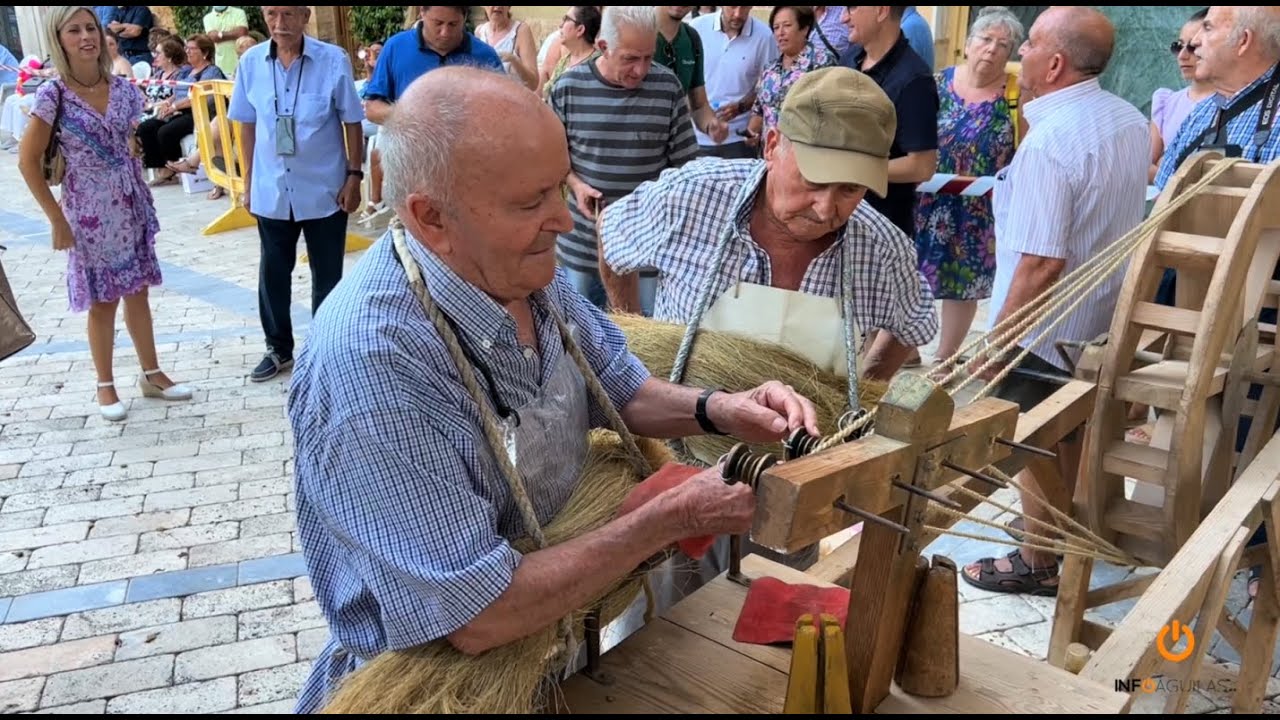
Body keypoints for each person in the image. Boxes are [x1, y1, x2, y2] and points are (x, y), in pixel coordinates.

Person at [288, 64, 821, 713]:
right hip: (451, 686)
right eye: (530, 202)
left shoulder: (520, 272)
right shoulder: (374, 366)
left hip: (556, 636)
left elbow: (617, 388)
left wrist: (721, 410)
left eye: (558, 189)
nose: (565, 222)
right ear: (432, 218)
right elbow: (477, 616)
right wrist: (668, 519)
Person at [959, 7, 1149, 596]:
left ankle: (1038, 558)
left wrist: (996, 345)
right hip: (1098, 317)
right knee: (1067, 432)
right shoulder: (1127, 119)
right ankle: (1060, 529)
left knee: (1030, 440)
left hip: (1045, 329)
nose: (1022, 55)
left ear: (1056, 62)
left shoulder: (1053, 141)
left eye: (1031, 44)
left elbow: (1042, 262)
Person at [1151, 6, 1280, 599]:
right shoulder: (1204, 110)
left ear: (1244, 39)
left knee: (1257, 431)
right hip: (1192, 305)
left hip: (1266, 315)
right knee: (1196, 425)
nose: (1193, 38)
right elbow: (1163, 207)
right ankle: (1189, 535)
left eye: (1209, 26)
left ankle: (1258, 559)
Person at [17, 6, 191, 422]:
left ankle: (152, 373)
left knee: (139, 291)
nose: (85, 37)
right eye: (73, 30)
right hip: (88, 211)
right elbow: (27, 161)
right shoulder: (53, 95)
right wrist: (56, 219)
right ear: (59, 39)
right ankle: (105, 383)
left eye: (90, 28)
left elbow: (130, 136)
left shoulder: (123, 88)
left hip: (129, 202)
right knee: (102, 300)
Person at [227, 6, 365, 383]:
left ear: (305, 16)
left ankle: (327, 347)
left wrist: (354, 176)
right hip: (272, 187)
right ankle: (278, 348)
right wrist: (249, 182)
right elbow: (246, 126)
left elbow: (352, 121)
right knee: (272, 271)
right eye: (272, 14)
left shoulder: (332, 60)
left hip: (325, 188)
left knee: (328, 274)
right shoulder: (251, 63)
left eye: (289, 14)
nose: (279, 23)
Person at [549, 6, 700, 314]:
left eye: (648, 56)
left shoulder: (668, 87)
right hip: (583, 247)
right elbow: (551, 157)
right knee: (581, 335)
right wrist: (576, 185)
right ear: (604, 47)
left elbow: (687, 168)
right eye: (631, 58)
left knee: (644, 340)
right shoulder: (568, 89)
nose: (642, 70)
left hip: (645, 251)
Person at [913, 7, 1023, 366]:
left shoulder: (1015, 95)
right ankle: (905, 347)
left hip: (978, 210)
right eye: (985, 39)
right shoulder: (936, 84)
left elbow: (1025, 150)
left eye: (1002, 45)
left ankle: (946, 358)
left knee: (963, 284)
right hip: (926, 203)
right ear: (968, 43)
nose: (991, 49)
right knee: (910, 275)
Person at [840, 5, 939, 239]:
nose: (844, 18)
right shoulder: (848, 59)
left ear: (881, 11)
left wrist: (853, 170)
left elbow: (922, 166)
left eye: (852, 9)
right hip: (838, 220)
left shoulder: (915, 80)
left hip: (882, 229)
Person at [361, 6, 503, 126]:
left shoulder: (485, 56)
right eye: (438, 23)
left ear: (464, 18)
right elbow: (372, 108)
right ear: (422, 12)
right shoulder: (396, 48)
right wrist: (410, 115)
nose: (445, 33)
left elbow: (505, 108)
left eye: (453, 24)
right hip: (413, 153)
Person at [688, 6, 779, 159]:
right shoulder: (696, 27)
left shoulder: (764, 36)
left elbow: (770, 86)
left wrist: (741, 106)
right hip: (696, 136)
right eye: (732, 7)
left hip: (738, 138)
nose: (737, 14)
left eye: (744, 7)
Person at [1149, 8, 1216, 183]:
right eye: (1178, 46)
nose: (1182, 55)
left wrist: (1164, 167)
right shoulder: (1167, 101)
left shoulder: (1236, 103)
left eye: (1194, 47)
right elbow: (1144, 165)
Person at [476, 6, 539, 90]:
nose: (498, 7)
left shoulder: (521, 31)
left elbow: (533, 84)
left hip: (513, 98)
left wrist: (514, 61)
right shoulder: (479, 32)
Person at [204, 5, 251, 78]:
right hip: (221, 67)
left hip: (241, 65)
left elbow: (242, 32)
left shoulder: (239, 13)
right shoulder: (207, 18)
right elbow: (212, 37)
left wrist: (219, 34)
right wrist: (234, 33)